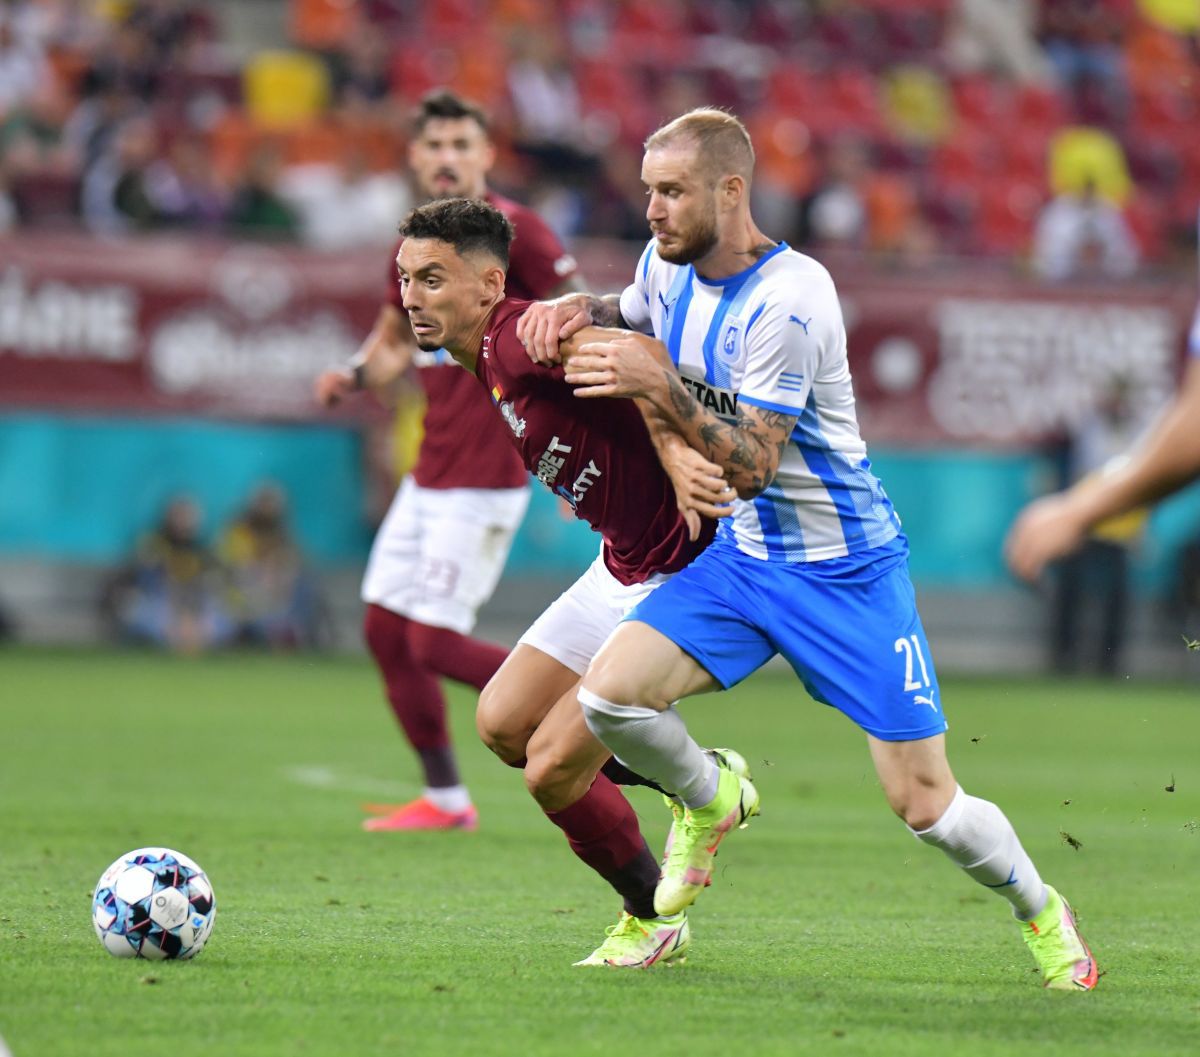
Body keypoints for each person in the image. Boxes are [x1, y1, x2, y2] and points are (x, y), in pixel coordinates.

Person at [518, 108, 1098, 991]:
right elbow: (626, 307)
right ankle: (711, 798)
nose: (654, 211)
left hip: (847, 573)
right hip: (746, 564)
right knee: (608, 698)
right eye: (648, 193)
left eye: (672, 192)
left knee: (926, 805)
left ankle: (1043, 912)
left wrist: (661, 387)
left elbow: (751, 461)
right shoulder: (662, 270)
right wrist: (575, 309)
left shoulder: (793, 298)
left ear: (731, 190)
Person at [394, 195, 741, 968]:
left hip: (681, 572)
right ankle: (688, 796)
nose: (415, 296)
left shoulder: (520, 338)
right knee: (503, 725)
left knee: (552, 765)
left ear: (489, 284)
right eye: (407, 278)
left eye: (435, 279)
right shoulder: (486, 359)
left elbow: (636, 357)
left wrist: (679, 451)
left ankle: (656, 904)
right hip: (619, 560)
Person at [313, 90, 582, 832]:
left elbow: (578, 316)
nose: (447, 158)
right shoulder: (415, 243)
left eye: (463, 145)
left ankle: (588, 708)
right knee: (385, 631)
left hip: (488, 472)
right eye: (434, 146)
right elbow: (393, 338)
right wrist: (355, 373)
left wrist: (579, 436)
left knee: (432, 638)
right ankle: (446, 798)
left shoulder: (516, 232)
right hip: (428, 470)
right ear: (414, 156)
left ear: (487, 155)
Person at [1007, 300, 1200, 580]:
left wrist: (1077, 510)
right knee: (1078, 588)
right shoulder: (1090, 423)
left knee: (1113, 594)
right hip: (1108, 512)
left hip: (1116, 517)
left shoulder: (1133, 423)